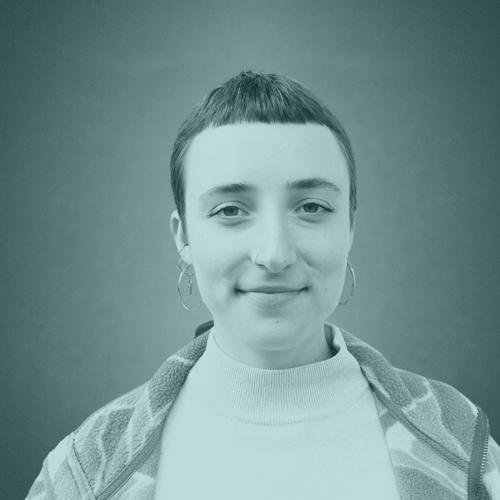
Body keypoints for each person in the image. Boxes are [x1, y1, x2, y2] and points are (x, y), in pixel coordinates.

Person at [26, 71, 499, 500]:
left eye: (311, 207)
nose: (274, 254)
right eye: (230, 210)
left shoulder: (462, 442)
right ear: (183, 237)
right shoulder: (87, 469)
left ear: (350, 227)